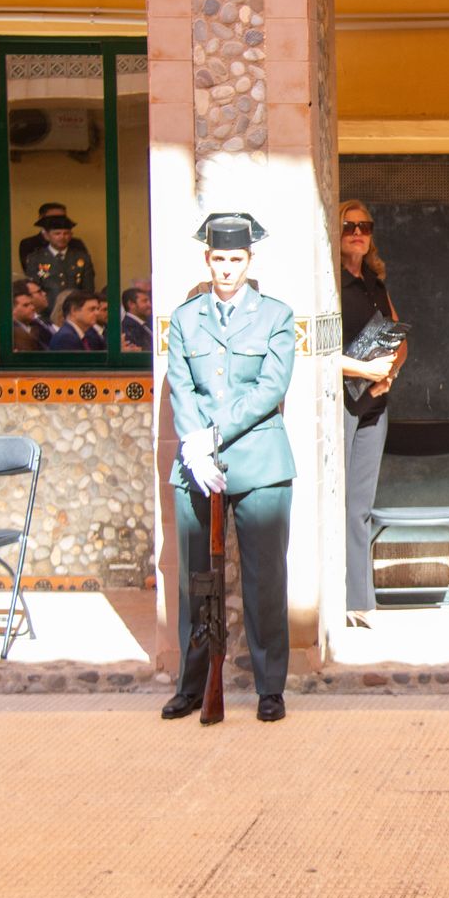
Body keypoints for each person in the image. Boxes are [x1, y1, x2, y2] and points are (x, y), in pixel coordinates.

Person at [161, 212, 296, 724]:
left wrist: (212, 435)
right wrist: (195, 446)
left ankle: (270, 689)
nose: (226, 269)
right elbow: (182, 384)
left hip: (259, 461)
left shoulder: (275, 315)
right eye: (219, 259)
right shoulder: (185, 317)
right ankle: (192, 685)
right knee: (195, 580)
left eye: (235, 260)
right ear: (207, 260)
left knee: (265, 581)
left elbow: (270, 389)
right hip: (197, 464)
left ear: (249, 261)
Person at [339, 200, 406, 629]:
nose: (358, 232)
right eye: (348, 225)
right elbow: (313, 349)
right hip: (340, 402)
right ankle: (341, 597)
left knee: (360, 505)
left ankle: (361, 601)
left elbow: (399, 336)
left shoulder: (374, 281)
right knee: (339, 503)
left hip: (373, 403)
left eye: (365, 226)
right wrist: (364, 369)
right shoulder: (329, 281)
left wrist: (389, 374)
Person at [22, 213, 95, 309]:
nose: (62, 237)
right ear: (46, 236)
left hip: (75, 312)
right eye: (57, 233)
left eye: (66, 233)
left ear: (71, 235)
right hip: (47, 313)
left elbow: (88, 290)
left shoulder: (81, 258)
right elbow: (34, 290)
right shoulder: (36, 259)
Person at [17, 202, 91, 271]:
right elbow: (30, 270)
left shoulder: (76, 243)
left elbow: (85, 270)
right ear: (41, 218)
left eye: (62, 218)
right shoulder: (29, 243)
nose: (58, 221)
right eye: (53, 218)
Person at [11, 283, 45, 352]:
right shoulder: (11, 333)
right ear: (13, 309)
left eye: (31, 304)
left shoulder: (38, 326)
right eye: (26, 305)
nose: (32, 308)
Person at [121, 287, 152, 352]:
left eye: (149, 301)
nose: (150, 305)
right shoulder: (127, 328)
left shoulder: (146, 324)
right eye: (144, 301)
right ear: (131, 304)